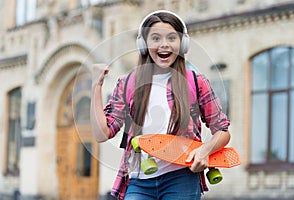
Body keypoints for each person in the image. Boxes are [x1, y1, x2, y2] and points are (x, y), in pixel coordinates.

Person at [91, 10, 231, 200]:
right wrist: (96, 86)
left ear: (182, 44)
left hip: (181, 177)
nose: (164, 44)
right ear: (144, 44)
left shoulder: (196, 82)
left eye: (172, 38)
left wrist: (205, 151)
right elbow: (101, 134)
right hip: (138, 179)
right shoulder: (128, 83)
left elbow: (222, 130)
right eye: (155, 38)